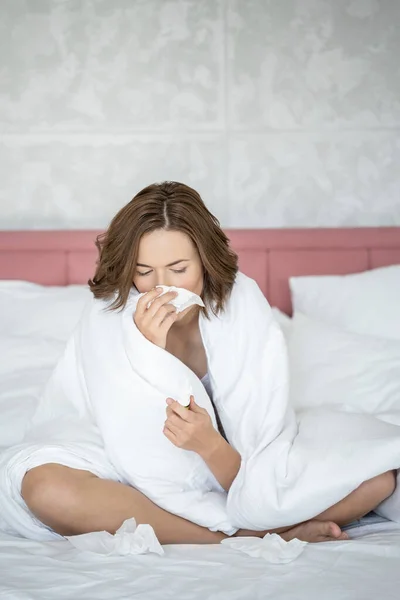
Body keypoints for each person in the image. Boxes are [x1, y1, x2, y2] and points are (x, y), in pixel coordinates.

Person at [16, 182, 396, 543]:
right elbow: (134, 447)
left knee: (377, 479)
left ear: (205, 261)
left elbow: (260, 445)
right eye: (144, 271)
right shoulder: (109, 313)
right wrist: (146, 353)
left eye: (179, 269)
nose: (161, 286)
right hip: (125, 468)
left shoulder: (241, 304)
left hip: (232, 463)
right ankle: (242, 538)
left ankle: (252, 525)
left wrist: (211, 446)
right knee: (45, 488)